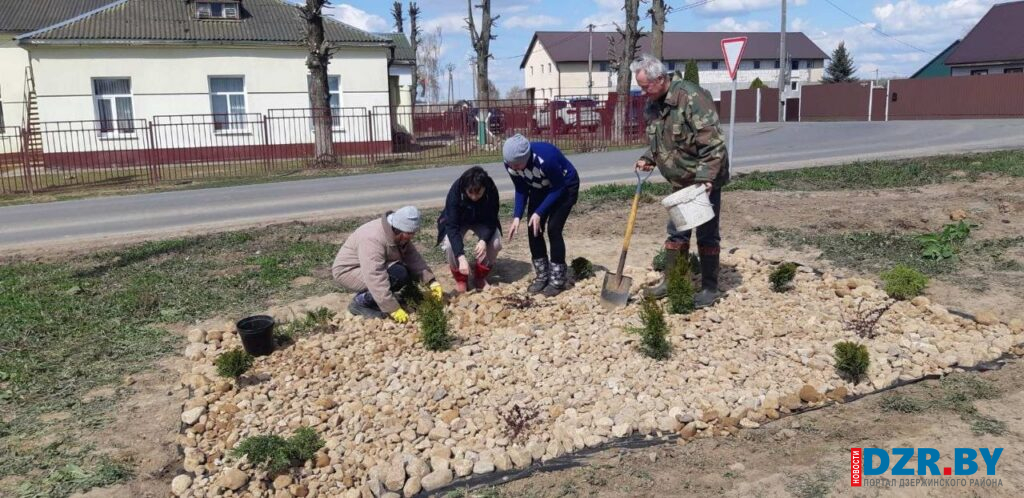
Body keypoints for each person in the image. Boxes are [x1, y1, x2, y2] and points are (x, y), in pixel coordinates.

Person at [629, 53, 730, 308]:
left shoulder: (692, 97)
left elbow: (714, 143)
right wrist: (648, 157)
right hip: (680, 182)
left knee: (707, 234)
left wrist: (706, 179)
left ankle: (709, 287)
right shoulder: (654, 104)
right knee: (677, 232)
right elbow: (660, 140)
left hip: (703, 180)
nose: (642, 93)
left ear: (660, 79)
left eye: (644, 87)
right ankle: (673, 281)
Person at [332, 206, 443, 322]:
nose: (411, 237)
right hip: (348, 271)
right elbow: (375, 275)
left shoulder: (399, 234)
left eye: (413, 233)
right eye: (409, 233)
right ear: (398, 228)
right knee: (398, 274)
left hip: (367, 266)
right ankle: (360, 302)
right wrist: (392, 308)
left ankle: (378, 299)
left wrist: (431, 281)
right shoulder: (373, 239)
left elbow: (412, 258)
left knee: (403, 270)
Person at [502, 134, 580, 297]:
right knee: (533, 228)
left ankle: (558, 279)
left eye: (517, 164)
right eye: (511, 165)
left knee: (553, 229)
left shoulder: (546, 158)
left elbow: (558, 188)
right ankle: (542, 275)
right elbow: (521, 189)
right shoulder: (511, 164)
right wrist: (517, 216)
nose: (514, 168)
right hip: (540, 188)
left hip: (565, 187)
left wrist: (539, 212)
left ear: (526, 156)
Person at [437, 166, 503, 292]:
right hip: (460, 221)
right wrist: (461, 257)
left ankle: (480, 276)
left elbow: (492, 219)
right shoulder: (456, 191)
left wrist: (484, 240)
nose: (474, 197)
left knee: (495, 243)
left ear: (484, 187)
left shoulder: (491, 189)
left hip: (482, 220)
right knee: (450, 245)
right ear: (465, 189)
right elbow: (452, 227)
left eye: (478, 193)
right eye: (470, 193)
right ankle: (461, 278)